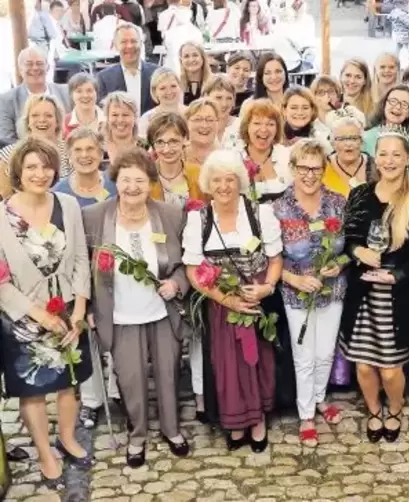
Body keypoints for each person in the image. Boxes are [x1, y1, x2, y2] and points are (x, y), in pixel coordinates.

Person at [83, 147, 189, 467]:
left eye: (139, 180)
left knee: (168, 372)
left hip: (161, 311)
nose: (132, 187)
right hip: (119, 313)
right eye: (125, 179)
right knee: (131, 377)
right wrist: (87, 304)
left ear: (150, 183)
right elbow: (82, 265)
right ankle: (138, 434)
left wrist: (176, 284)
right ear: (115, 180)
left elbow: (184, 263)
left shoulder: (169, 214)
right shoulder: (95, 216)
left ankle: (172, 430)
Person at [0, 137, 93, 488]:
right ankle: (44, 452)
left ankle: (67, 438)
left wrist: (80, 308)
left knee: (69, 383)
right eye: (31, 167)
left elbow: (82, 258)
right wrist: (37, 314)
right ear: (18, 173)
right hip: (24, 318)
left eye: (46, 166)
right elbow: (1, 279)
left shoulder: (67, 204)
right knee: (33, 389)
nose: (40, 173)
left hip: (69, 309)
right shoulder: (1, 216)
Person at [338, 127, 409, 444]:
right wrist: (358, 251)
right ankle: (373, 411)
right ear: (375, 158)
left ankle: (394, 408)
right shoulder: (360, 194)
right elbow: (349, 240)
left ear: (408, 158)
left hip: (399, 298)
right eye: (383, 154)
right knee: (365, 368)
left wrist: (396, 275)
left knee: (391, 370)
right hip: (363, 295)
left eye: (397, 154)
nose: (389, 160)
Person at [183, 149, 282, 451]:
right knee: (227, 367)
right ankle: (236, 422)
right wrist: (226, 300)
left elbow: (276, 259)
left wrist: (267, 288)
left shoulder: (259, 213)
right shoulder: (197, 219)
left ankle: (258, 420)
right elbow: (192, 270)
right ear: (207, 185)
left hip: (256, 301)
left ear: (239, 182)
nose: (224, 186)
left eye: (230, 180)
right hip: (220, 305)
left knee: (257, 363)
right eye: (217, 180)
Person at [272, 139, 346, 446]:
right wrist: (292, 279)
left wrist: (339, 265)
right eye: (303, 167)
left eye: (316, 168)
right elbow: (269, 259)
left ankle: (319, 398)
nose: (310, 175)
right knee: (304, 356)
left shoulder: (338, 202)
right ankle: (305, 414)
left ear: (324, 170)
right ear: (292, 169)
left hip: (333, 290)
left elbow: (348, 248)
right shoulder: (277, 208)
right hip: (296, 292)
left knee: (325, 352)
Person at [53, 128, 119, 428]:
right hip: (75, 272)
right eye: (78, 150)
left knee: (117, 332)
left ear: (100, 151)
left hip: (113, 270)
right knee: (85, 335)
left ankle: (119, 390)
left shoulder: (114, 186)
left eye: (90, 149)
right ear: (69, 154)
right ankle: (91, 399)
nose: (85, 155)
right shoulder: (60, 192)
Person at [0, 96, 70, 199]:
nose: (42, 120)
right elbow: (5, 198)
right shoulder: (8, 154)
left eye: (48, 115)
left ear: (57, 121)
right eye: (35, 115)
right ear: (28, 121)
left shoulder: (71, 151)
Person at [0, 47, 71, 144]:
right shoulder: (6, 100)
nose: (35, 68)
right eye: (29, 64)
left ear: (48, 67)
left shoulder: (67, 92)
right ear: (20, 69)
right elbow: (6, 140)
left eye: (40, 63)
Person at [96, 24, 159, 116]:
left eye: (133, 41)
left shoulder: (157, 73)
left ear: (141, 43)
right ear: (116, 45)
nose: (129, 46)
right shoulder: (104, 78)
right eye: (124, 42)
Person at [238, 99, 292, 201]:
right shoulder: (234, 157)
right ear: (247, 127)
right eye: (257, 123)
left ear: (277, 129)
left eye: (270, 124)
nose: (263, 129)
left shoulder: (287, 156)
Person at [363, 85, 409, 175]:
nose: (398, 107)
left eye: (404, 104)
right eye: (393, 101)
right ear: (384, 105)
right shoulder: (366, 138)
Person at [147, 112, 204, 205]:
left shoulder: (199, 174)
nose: (166, 149)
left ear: (185, 139)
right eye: (160, 142)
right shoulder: (144, 176)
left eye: (173, 141)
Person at [324, 115, 374, 197]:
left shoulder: (376, 166)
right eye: (342, 139)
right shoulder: (322, 166)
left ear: (361, 141)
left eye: (353, 138)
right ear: (333, 143)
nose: (348, 144)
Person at [100, 92, 148, 172]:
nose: (120, 120)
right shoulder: (98, 147)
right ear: (107, 117)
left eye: (125, 115)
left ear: (135, 117)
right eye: (115, 115)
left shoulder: (146, 147)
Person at [137, 68, 185, 138]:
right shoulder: (146, 119)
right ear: (155, 92)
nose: (169, 92)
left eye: (173, 86)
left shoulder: (192, 113)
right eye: (162, 88)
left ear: (180, 87)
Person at [202, 75, 240, 149]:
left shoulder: (241, 126)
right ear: (205, 97)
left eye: (229, 98)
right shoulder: (195, 125)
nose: (224, 104)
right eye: (218, 97)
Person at [63, 73, 105, 140]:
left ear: (96, 93)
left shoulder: (109, 120)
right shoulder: (63, 123)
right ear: (71, 95)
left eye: (89, 90)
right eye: (79, 91)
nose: (85, 95)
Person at [184, 99, 221, 166]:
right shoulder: (177, 155)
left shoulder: (226, 158)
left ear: (217, 123)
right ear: (187, 123)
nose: (204, 125)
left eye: (210, 120)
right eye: (197, 119)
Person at [179, 42, 213, 106]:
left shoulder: (214, 82)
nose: (191, 60)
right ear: (181, 60)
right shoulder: (176, 84)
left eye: (195, 55)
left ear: (202, 58)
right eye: (186, 56)